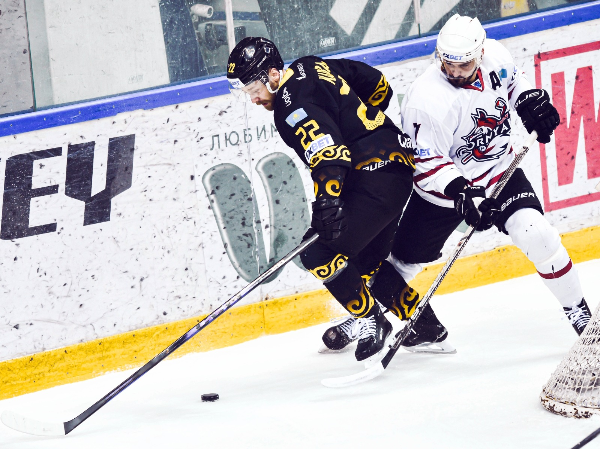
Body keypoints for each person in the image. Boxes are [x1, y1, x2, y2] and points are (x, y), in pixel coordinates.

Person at [226, 37, 450, 362]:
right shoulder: (309, 65)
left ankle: (371, 320)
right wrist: (362, 128)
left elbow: (329, 153)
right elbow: (378, 86)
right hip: (397, 168)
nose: (254, 98)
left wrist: (328, 202)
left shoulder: (290, 107)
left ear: (273, 74)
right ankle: (425, 326)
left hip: (373, 177)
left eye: (254, 89)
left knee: (317, 252)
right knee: (366, 263)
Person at [384, 14, 590, 337]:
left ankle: (579, 311)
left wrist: (527, 101)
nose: (454, 72)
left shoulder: (496, 55)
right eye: (448, 64)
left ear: (480, 54)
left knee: (538, 235)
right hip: (443, 193)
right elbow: (426, 162)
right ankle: (364, 316)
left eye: (463, 65)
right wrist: (464, 193)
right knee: (402, 263)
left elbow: (514, 82)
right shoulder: (426, 99)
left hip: (498, 172)